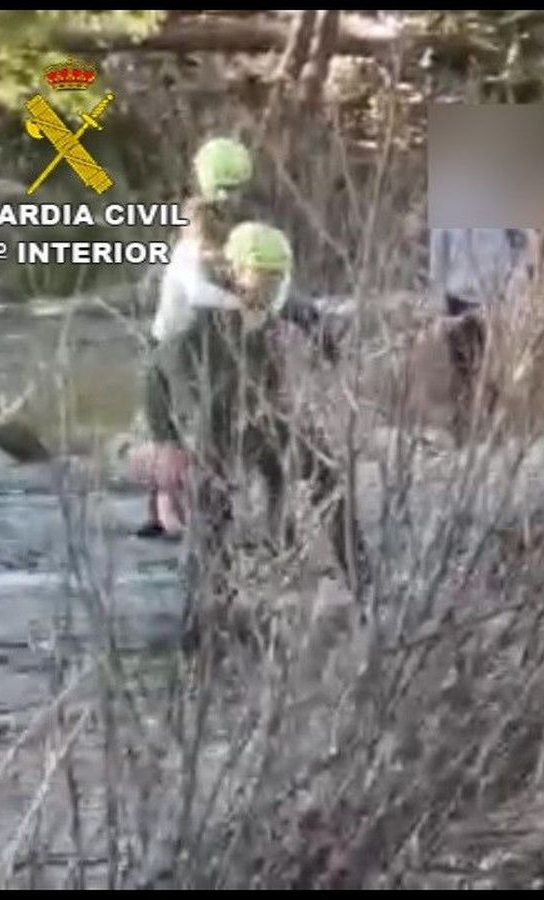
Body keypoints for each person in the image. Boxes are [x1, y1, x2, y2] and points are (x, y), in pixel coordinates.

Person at [156, 222, 367, 616]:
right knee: (211, 511)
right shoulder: (207, 309)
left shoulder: (274, 297)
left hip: (263, 415)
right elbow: (158, 369)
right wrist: (167, 438)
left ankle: (363, 581)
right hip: (213, 424)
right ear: (235, 271)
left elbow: (307, 315)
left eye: (276, 277)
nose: (270, 286)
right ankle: (206, 606)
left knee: (325, 475)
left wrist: (332, 356)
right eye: (263, 277)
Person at [137, 136, 259, 540]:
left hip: (184, 345)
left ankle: (166, 511)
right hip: (177, 348)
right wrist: (241, 300)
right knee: (182, 435)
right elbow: (197, 294)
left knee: (173, 434)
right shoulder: (197, 245)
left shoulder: (200, 237)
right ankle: (174, 512)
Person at [427, 227, 537, 444]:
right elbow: (438, 254)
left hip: (495, 298)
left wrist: (515, 281)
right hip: (457, 297)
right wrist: (437, 302)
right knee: (462, 368)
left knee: (494, 371)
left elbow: (524, 242)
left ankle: (494, 431)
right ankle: (462, 431)